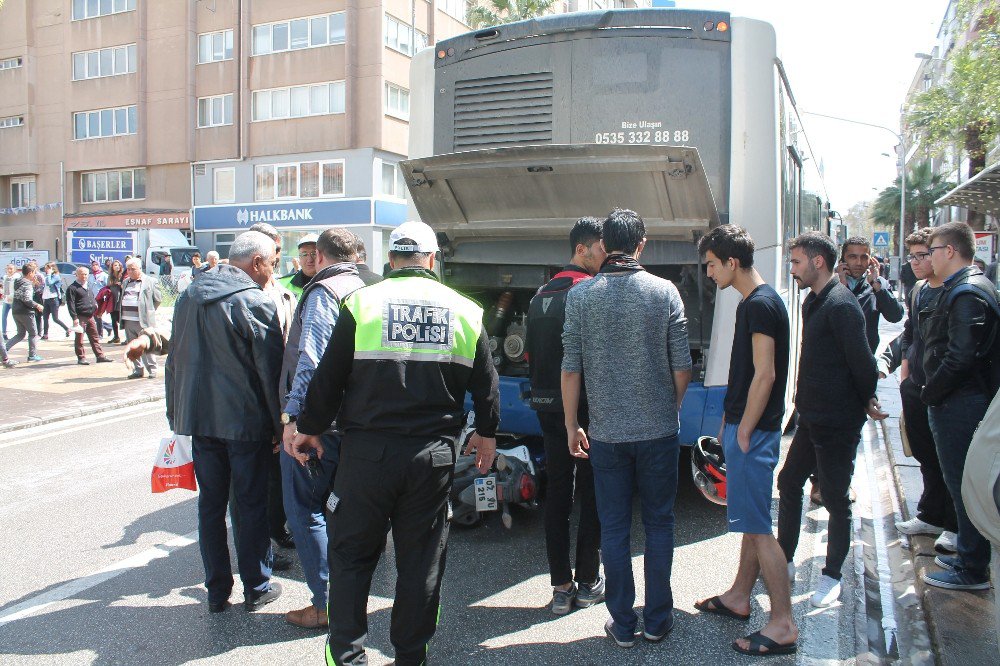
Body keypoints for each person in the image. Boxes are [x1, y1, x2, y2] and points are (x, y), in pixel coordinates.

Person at [288, 220, 500, 666]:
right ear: (431, 259)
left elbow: (328, 378)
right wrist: (487, 434)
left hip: (366, 456)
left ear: (390, 260)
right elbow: (487, 385)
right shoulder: (464, 309)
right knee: (421, 561)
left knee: (351, 557)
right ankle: (410, 655)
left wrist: (307, 425)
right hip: (432, 456)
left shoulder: (361, 302)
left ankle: (347, 655)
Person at [562, 208, 692, 648]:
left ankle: (622, 623)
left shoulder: (581, 297)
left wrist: (571, 424)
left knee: (614, 529)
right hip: (658, 431)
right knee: (659, 524)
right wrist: (668, 409)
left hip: (607, 435)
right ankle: (657, 620)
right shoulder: (665, 292)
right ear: (642, 245)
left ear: (603, 246)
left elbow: (570, 369)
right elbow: (682, 366)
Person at [166, 230, 285, 614]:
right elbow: (271, 374)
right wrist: (280, 426)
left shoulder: (188, 297)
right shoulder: (254, 301)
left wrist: (176, 415)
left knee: (211, 506)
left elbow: (174, 361)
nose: (273, 272)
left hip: (199, 419)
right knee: (249, 505)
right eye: (271, 263)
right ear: (256, 263)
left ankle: (217, 590)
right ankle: (257, 586)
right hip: (245, 422)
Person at [694, 225, 796, 656]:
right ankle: (739, 596)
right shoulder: (760, 301)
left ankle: (782, 623)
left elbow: (765, 373)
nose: (709, 273)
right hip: (745, 426)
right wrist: (730, 422)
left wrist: (746, 430)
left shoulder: (759, 306)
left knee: (758, 528)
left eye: (712, 265)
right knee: (750, 523)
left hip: (754, 432)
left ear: (731, 262)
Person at [776, 232, 885, 609]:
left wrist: (865, 398)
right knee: (789, 482)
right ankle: (784, 561)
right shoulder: (813, 301)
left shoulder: (842, 305)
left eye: (796, 262)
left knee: (836, 500)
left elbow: (864, 365)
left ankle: (831, 576)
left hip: (838, 422)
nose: (792, 269)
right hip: (811, 418)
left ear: (817, 261)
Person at [278, 227, 365, 629]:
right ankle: (351, 597)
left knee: (306, 509)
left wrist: (296, 421)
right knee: (345, 511)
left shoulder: (323, 293)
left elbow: (310, 363)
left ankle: (326, 604)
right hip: (360, 423)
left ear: (323, 256)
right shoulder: (369, 289)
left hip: (323, 425)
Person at [525, 217, 605, 616]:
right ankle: (589, 581)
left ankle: (561, 586)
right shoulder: (588, 292)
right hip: (584, 410)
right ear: (581, 249)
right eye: (601, 249)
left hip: (545, 407)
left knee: (557, 493)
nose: (605, 257)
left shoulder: (539, 295)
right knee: (591, 491)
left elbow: (530, 356)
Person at [919, 222, 999, 592]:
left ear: (949, 251)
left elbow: (960, 357)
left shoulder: (967, 292)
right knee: (961, 483)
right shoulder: (964, 288)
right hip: (958, 400)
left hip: (961, 403)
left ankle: (971, 567)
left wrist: (930, 392)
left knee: (964, 484)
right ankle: (969, 554)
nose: (928, 257)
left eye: (932, 250)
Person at [894, 229, 958, 554]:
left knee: (946, 459)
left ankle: (953, 524)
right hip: (915, 386)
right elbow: (909, 333)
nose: (918, 262)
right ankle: (930, 515)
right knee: (925, 457)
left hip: (942, 390)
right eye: (913, 256)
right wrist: (905, 375)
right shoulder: (918, 290)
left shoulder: (953, 292)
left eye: (923, 254)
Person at [836, 237, 905, 354]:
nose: (858, 263)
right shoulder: (830, 282)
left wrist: (876, 285)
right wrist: (841, 286)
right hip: (834, 358)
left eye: (864, 257)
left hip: (865, 359)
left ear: (871, 261)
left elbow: (895, 316)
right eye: (853, 257)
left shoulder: (878, 284)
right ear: (842, 260)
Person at [121, 259, 162, 379]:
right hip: (128, 320)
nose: (129, 271)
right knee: (133, 347)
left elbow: (158, 299)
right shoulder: (125, 282)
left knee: (146, 345)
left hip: (143, 321)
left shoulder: (151, 281)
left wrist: (148, 311)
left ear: (139, 268)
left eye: (132, 269)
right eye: (128, 269)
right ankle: (138, 370)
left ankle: (152, 369)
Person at [66, 266, 113, 366]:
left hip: (90, 316)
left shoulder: (88, 285)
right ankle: (81, 357)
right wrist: (74, 318)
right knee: (80, 339)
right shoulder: (72, 288)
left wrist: (97, 308)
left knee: (94, 337)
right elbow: (71, 304)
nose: (84, 276)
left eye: (86, 274)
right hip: (80, 316)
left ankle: (100, 356)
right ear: (77, 275)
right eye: (82, 274)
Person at [5, 263, 44, 363]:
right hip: (26, 312)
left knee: (20, 334)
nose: (35, 274)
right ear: (30, 273)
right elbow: (27, 299)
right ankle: (32, 355)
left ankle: (3, 350)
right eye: (34, 272)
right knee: (33, 333)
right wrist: (37, 305)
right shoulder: (27, 284)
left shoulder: (17, 281)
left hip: (16, 310)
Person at [278, 234, 319, 298]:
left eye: (314, 254)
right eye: (304, 254)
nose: (309, 260)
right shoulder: (282, 284)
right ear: (299, 257)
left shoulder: (332, 283)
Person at [40, 263, 70, 339]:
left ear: (52, 269)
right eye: (45, 268)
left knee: (55, 318)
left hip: (54, 299)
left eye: (47, 268)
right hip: (46, 299)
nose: (46, 270)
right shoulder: (47, 276)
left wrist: (49, 274)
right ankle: (45, 334)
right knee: (45, 317)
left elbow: (50, 283)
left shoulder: (56, 277)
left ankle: (67, 329)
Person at [87, 261, 109, 339]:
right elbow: (88, 287)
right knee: (94, 316)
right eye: (93, 265)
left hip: (101, 299)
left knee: (98, 316)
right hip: (93, 299)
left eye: (96, 265)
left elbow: (108, 287)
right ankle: (108, 327)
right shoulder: (91, 276)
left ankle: (100, 334)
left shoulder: (104, 276)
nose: (95, 266)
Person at [106, 260, 125, 343]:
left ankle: (128, 336)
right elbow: (108, 286)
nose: (117, 267)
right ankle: (116, 336)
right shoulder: (110, 276)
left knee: (121, 318)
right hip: (112, 300)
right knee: (113, 319)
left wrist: (121, 285)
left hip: (121, 300)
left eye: (118, 265)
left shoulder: (123, 276)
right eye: (115, 265)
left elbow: (124, 287)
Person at [2, 263, 16, 340]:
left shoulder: (16, 277)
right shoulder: (5, 277)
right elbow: (4, 288)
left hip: (13, 300)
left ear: (14, 270)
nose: (9, 270)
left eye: (11, 269)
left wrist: (12, 296)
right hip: (6, 300)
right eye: (8, 269)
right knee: (4, 317)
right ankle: (4, 333)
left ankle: (19, 332)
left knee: (16, 316)